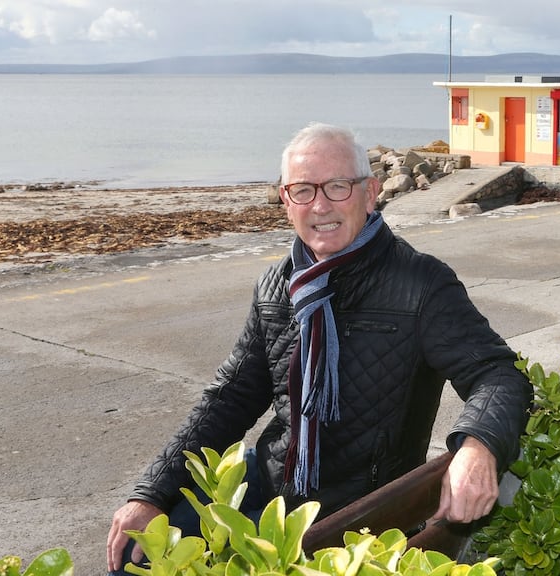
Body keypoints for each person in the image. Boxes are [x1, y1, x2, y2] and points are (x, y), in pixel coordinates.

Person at [106, 122, 533, 573]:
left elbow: (497, 373)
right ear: (286, 200)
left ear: (371, 194)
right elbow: (229, 398)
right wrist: (150, 493)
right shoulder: (278, 283)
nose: (320, 205)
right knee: (134, 551)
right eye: (303, 190)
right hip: (274, 486)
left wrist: (478, 446)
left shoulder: (422, 284)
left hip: (352, 514)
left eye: (337, 187)